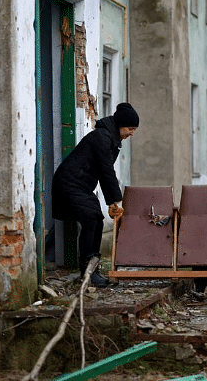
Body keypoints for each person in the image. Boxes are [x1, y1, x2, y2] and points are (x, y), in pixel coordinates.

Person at [51, 103, 139, 287]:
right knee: (92, 218)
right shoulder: (102, 137)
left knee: (95, 218)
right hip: (69, 184)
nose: (132, 133)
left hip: (79, 185)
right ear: (121, 124)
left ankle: (92, 268)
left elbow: (103, 171)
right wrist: (114, 201)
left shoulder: (109, 138)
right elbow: (106, 171)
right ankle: (88, 271)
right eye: (130, 128)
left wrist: (112, 201)